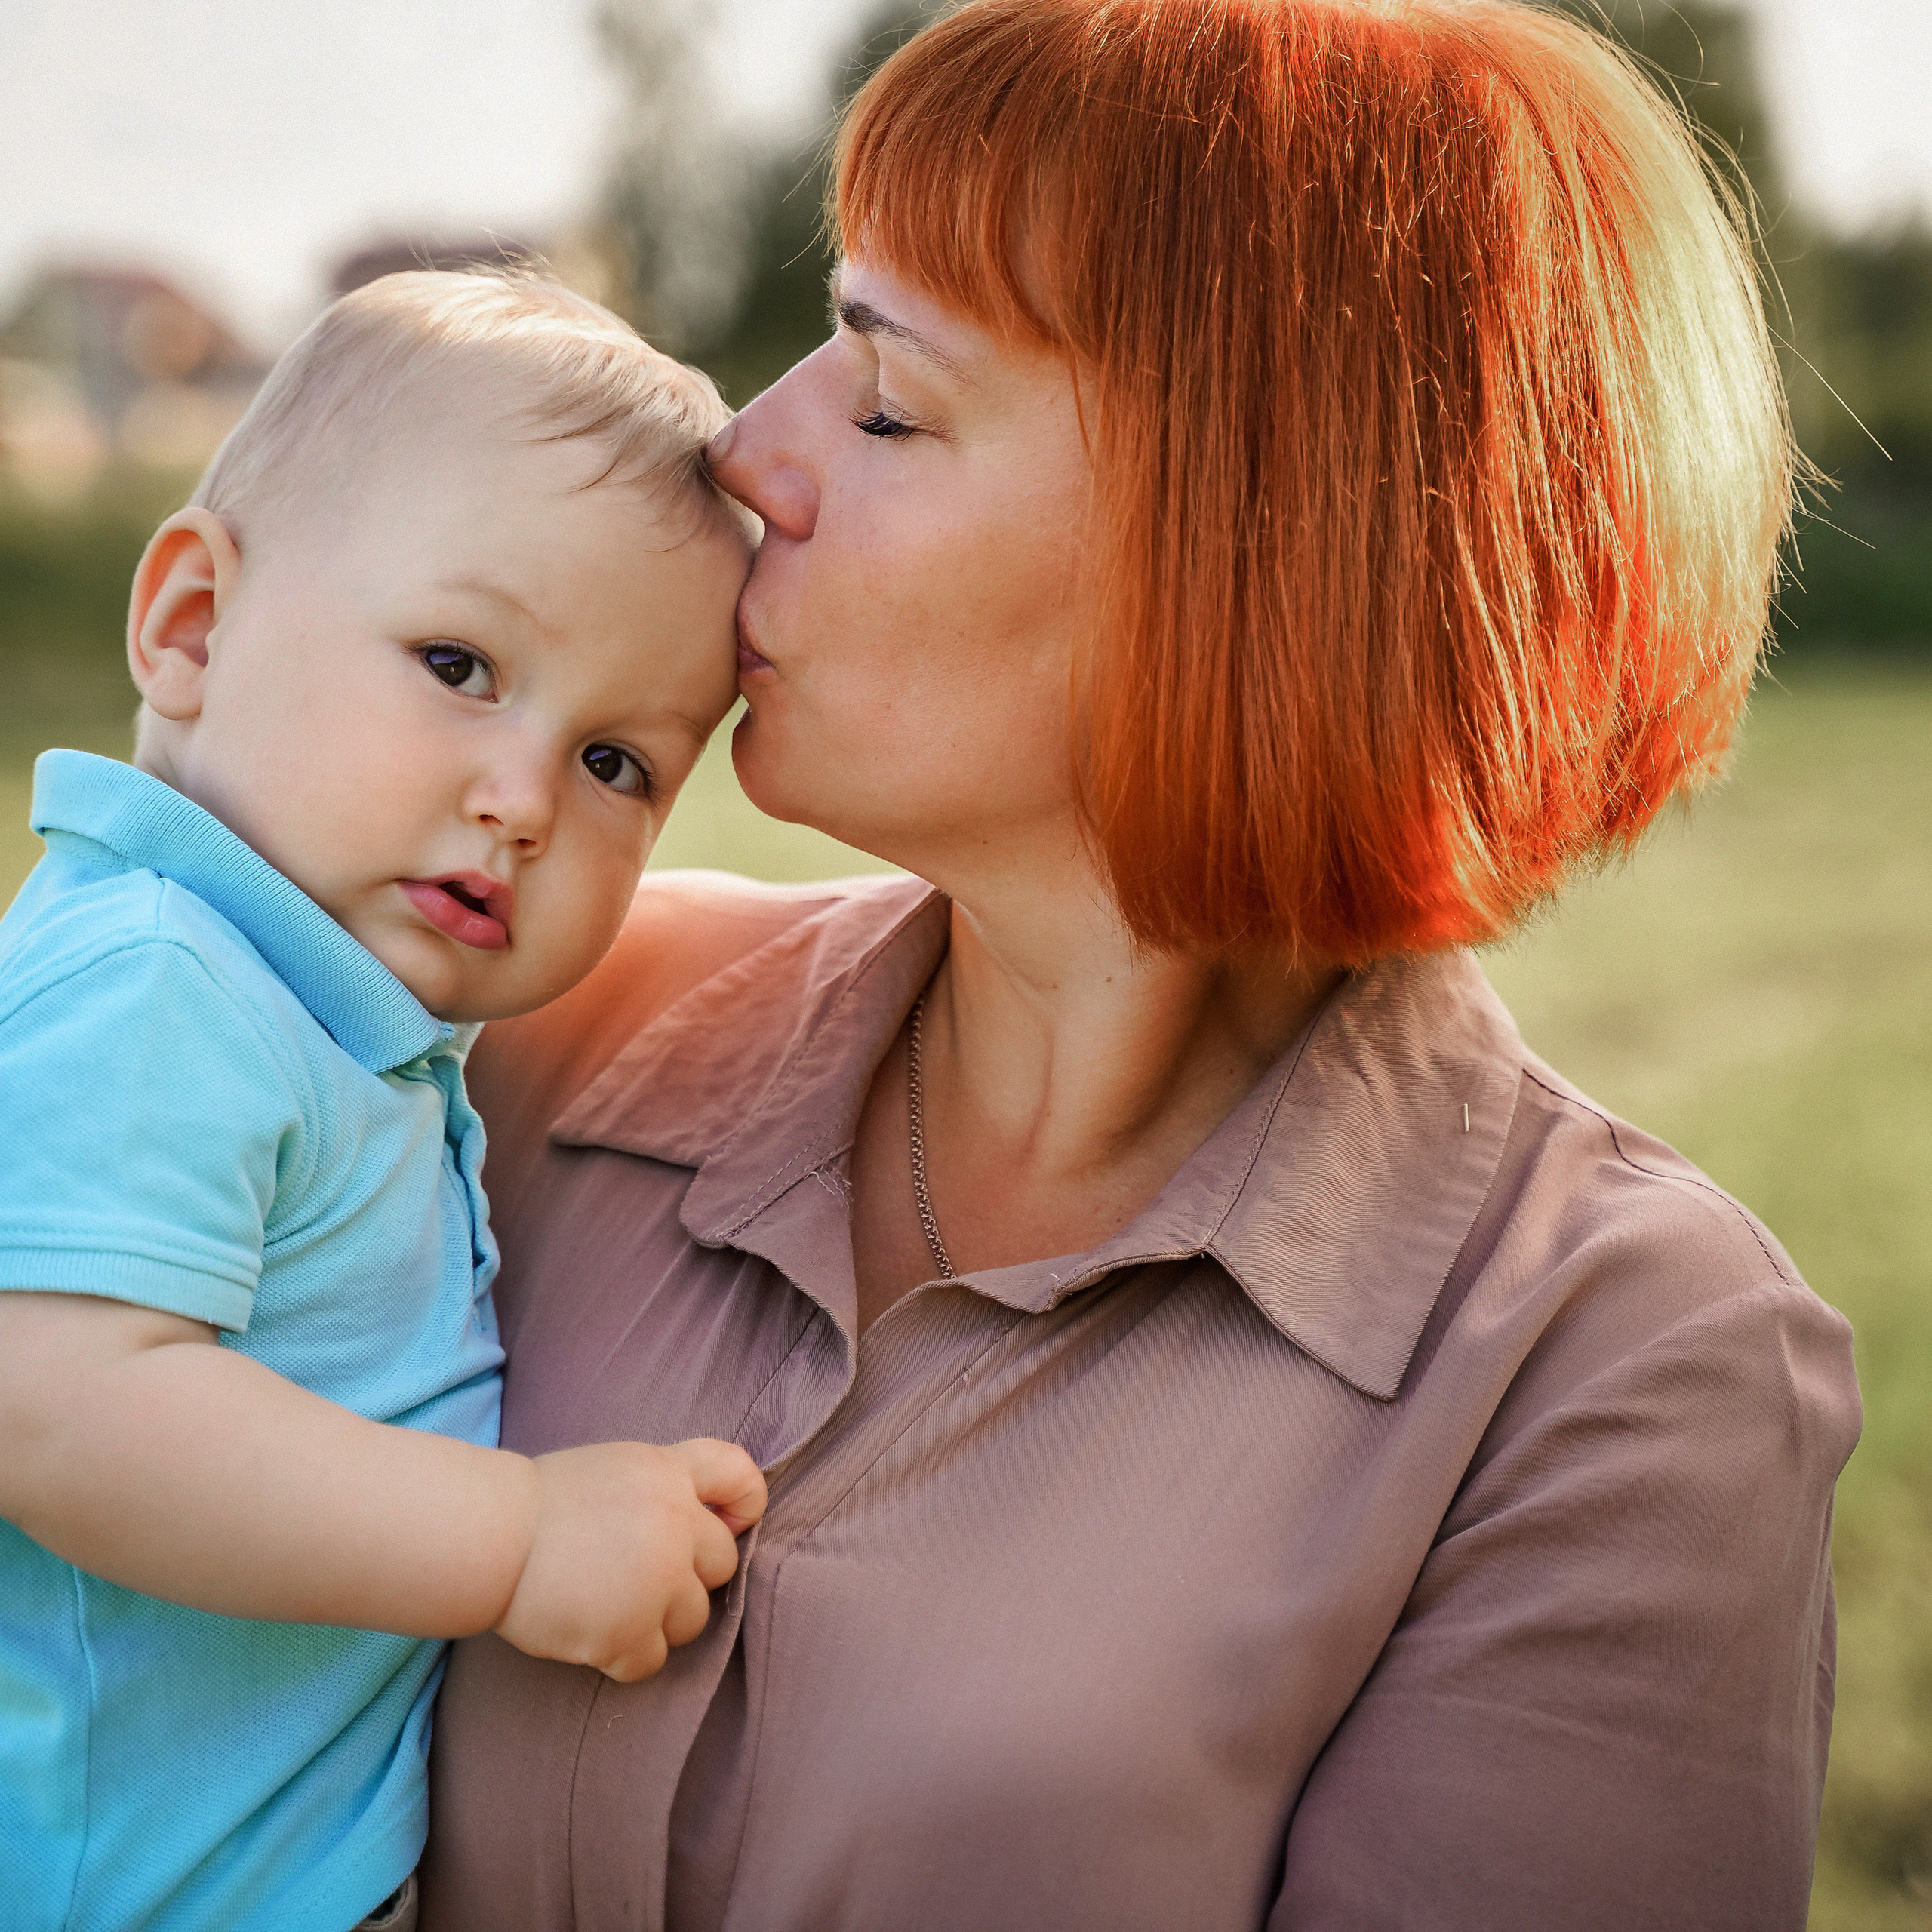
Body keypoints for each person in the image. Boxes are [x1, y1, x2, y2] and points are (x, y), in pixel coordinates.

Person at [421, 2, 1862, 1927]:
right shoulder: (521, 1036)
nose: (737, 450)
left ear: (1252, 551)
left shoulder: (1612, 1377)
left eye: (880, 397)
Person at [0, 271, 768, 1932]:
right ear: (194, 625)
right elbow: (53, 1402)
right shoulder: (160, 980)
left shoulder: (321, 1009)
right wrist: (513, 1537)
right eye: (457, 661)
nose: (521, 803)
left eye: (617, 761)